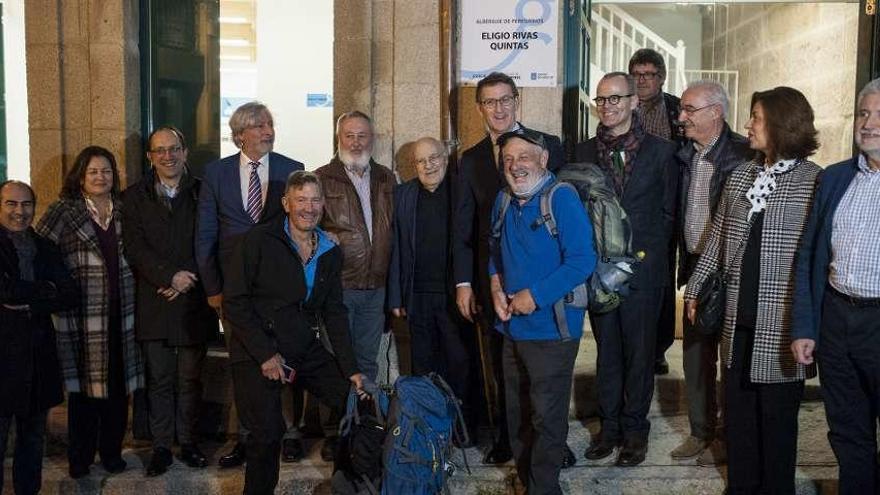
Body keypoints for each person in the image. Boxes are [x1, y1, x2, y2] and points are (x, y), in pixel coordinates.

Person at [685, 86, 821, 494]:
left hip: (781, 326)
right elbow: (718, 236)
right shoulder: (743, 174)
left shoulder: (814, 181)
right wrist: (695, 287)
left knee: (777, 425)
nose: (747, 125)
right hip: (736, 319)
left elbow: (815, 258)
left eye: (756, 118)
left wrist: (811, 323)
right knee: (740, 419)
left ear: (782, 123)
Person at [453, 71, 570, 465]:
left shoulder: (546, 145)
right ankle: (507, 437)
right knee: (501, 361)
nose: (498, 108)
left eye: (505, 100)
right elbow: (464, 226)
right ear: (480, 108)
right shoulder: (469, 160)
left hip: (544, 278)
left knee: (546, 372)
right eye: (490, 102)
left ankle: (553, 442)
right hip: (495, 278)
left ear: (517, 101)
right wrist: (465, 282)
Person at [223, 170, 365, 495]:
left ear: (323, 205)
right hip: (255, 349)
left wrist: (352, 369)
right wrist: (265, 354)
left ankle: (346, 486)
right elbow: (235, 302)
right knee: (268, 432)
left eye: (315, 200)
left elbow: (334, 313)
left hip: (300, 344)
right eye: (301, 199)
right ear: (286, 203)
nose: (309, 207)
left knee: (351, 403)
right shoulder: (259, 240)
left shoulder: (329, 250)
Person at [577, 72, 678, 467]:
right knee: (607, 354)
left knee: (639, 355)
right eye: (601, 101)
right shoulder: (583, 152)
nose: (608, 107)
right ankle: (610, 429)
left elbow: (669, 214)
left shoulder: (662, 152)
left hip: (642, 271)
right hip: (599, 272)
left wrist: (646, 261)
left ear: (635, 102)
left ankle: (636, 432)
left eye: (615, 99)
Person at [196, 102, 304, 467]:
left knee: (284, 356)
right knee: (243, 362)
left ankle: (288, 433)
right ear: (240, 133)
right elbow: (206, 234)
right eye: (259, 126)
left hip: (278, 287)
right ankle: (248, 436)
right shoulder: (216, 173)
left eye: (270, 124)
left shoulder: (292, 169)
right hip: (234, 291)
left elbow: (299, 229)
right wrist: (213, 288)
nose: (268, 131)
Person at [489, 128, 595, 494]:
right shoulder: (503, 199)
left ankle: (545, 488)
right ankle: (527, 481)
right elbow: (494, 251)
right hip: (511, 330)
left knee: (547, 420)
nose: (515, 166)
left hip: (552, 331)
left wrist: (534, 296)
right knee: (517, 416)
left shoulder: (561, 198)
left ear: (544, 159)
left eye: (523, 157)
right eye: (507, 160)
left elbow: (582, 261)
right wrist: (495, 283)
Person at [792, 78, 880, 494]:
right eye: (863, 113)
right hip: (837, 318)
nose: (868, 124)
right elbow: (810, 256)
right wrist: (806, 327)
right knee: (846, 428)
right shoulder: (834, 178)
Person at [36, 146, 145, 478]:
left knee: (116, 390)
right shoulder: (63, 211)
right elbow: (41, 251)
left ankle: (111, 452)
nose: (101, 177)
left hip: (122, 313)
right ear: (81, 177)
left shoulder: (125, 209)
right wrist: (59, 287)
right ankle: (79, 457)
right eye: (94, 172)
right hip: (82, 317)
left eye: (107, 171)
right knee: (83, 394)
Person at [122, 127, 217, 476]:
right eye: (159, 150)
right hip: (154, 297)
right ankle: (161, 447)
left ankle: (189, 443)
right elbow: (133, 246)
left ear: (185, 152)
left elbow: (210, 239)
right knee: (158, 379)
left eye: (174, 149)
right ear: (150, 156)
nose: (167, 156)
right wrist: (167, 277)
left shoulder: (204, 192)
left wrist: (186, 276)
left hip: (193, 298)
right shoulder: (133, 197)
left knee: (191, 378)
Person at [669, 81, 751, 466]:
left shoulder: (745, 155)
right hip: (695, 268)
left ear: (716, 112)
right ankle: (701, 431)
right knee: (695, 356)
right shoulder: (683, 155)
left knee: (733, 358)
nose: (681, 116)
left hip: (732, 272)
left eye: (689, 109)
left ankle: (732, 436)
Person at [387, 137, 475, 441]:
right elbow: (396, 246)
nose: (429, 166)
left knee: (459, 362)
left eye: (434, 158)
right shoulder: (404, 195)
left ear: (446, 158)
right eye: (422, 161)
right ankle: (428, 428)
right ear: (414, 166)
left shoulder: (461, 190)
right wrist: (396, 295)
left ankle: (460, 427)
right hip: (417, 296)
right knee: (423, 364)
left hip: (454, 296)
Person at [0, 180, 78, 494]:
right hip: (2, 360)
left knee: (32, 444)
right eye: (11, 204)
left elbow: (70, 294)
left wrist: (28, 296)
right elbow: (5, 291)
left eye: (26, 204)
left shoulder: (46, 246)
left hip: (38, 359)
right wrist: (45, 291)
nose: (20, 211)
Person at [315, 111, 394, 383]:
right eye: (349, 136)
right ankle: (335, 425)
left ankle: (365, 420)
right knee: (336, 360)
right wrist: (322, 234)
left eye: (362, 136)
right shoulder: (321, 179)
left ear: (372, 139)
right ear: (339, 138)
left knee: (367, 361)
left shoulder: (386, 178)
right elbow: (303, 226)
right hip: (339, 287)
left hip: (375, 288)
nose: (356, 143)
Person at [628, 48, 684, 376]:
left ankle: (658, 348)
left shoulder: (677, 109)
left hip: (670, 200)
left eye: (650, 74)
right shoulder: (624, 106)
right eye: (638, 74)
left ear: (662, 77)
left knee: (663, 276)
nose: (644, 80)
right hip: (634, 202)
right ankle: (635, 341)